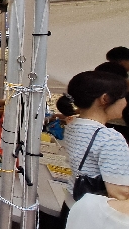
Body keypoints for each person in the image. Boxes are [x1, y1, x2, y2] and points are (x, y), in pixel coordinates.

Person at [58, 71, 129, 200]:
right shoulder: (110, 138)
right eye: (124, 96)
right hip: (94, 213)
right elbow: (120, 193)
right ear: (105, 99)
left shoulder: (72, 125)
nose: (125, 102)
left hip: (72, 201)